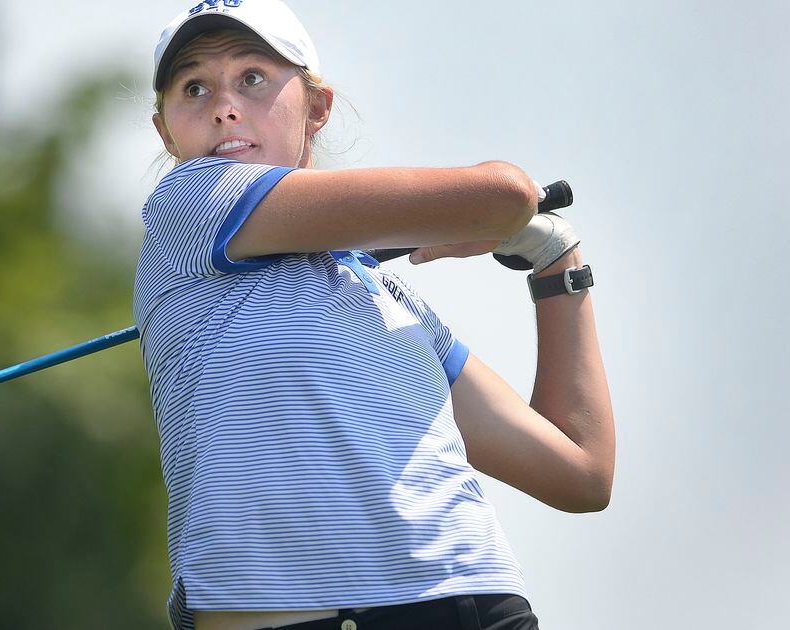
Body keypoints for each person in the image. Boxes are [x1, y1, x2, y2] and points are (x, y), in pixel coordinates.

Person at [133, 1, 615, 629]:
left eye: (252, 77)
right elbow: (504, 192)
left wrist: (557, 262)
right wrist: (492, 216)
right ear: (166, 131)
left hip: (479, 604)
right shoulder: (191, 200)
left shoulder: (391, 301)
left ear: (318, 108)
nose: (224, 105)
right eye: (194, 87)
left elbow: (580, 473)